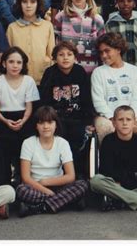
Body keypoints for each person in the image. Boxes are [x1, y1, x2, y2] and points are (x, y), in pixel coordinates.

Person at [16, 106, 89, 217]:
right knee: (21, 190)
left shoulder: (62, 143)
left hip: (58, 185)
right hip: (36, 186)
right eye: (41, 123)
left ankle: (38, 208)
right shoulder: (28, 143)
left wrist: (46, 182)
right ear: (36, 125)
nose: (46, 127)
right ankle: (66, 202)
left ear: (56, 125)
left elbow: (70, 176)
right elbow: (26, 177)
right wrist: (45, 190)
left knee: (82, 185)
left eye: (50, 122)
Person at [39, 41, 94, 176]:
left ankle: (77, 174)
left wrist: (89, 121)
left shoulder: (80, 72)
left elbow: (86, 98)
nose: (65, 57)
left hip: (77, 118)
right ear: (54, 58)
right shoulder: (50, 73)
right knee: (58, 141)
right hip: (56, 119)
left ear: (75, 57)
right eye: (61, 54)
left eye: (69, 54)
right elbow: (45, 100)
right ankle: (58, 174)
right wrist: (47, 120)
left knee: (78, 139)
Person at [91, 32, 137, 144]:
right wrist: (112, 119)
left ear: (118, 49)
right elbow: (98, 101)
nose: (104, 55)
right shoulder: (98, 72)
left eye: (107, 51)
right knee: (106, 129)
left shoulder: (134, 71)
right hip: (106, 117)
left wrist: (129, 118)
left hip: (131, 115)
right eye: (101, 52)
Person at [0, 47, 40, 184]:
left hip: (24, 118)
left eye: (19, 62)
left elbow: (29, 107)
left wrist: (23, 121)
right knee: (3, 149)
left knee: (24, 147)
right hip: (2, 119)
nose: (15, 65)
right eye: (11, 61)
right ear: (4, 63)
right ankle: (5, 182)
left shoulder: (28, 81)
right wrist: (6, 121)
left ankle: (22, 180)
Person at [54, 0, 105, 74]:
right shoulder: (60, 17)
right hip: (67, 72)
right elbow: (56, 46)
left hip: (91, 72)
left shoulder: (97, 19)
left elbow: (102, 47)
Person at [6, 0, 55, 84]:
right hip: (19, 80)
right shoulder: (12, 28)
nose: (28, 5)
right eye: (25, 2)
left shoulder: (47, 26)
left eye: (32, 2)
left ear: (38, 4)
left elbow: (51, 55)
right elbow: (8, 56)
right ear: (20, 4)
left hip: (42, 80)